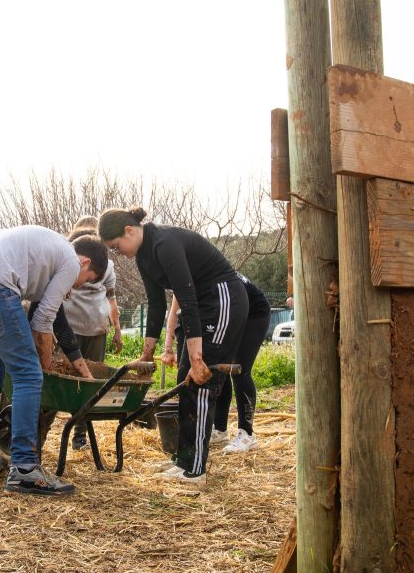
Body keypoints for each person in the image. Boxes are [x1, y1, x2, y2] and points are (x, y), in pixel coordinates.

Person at [0, 225, 108, 496]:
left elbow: (47, 318)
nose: (80, 285)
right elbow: (43, 321)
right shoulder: (70, 261)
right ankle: (24, 469)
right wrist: (42, 367)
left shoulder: (50, 252)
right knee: (28, 375)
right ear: (85, 262)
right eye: (87, 278)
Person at [98, 206, 249, 486]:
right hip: (200, 307)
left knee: (204, 380)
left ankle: (196, 470)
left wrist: (196, 356)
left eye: (117, 247)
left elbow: (186, 298)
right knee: (185, 381)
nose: (119, 255)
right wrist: (146, 355)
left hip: (222, 300)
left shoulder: (164, 243)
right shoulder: (144, 255)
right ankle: (184, 459)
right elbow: (156, 306)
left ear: (129, 231)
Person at [163, 274, 270, 454]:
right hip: (232, 313)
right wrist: (168, 347)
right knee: (221, 367)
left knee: (239, 369)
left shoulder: (206, 276)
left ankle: (247, 435)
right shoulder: (183, 276)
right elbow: (175, 312)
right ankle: (220, 430)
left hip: (254, 313)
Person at [62, 216, 123, 450]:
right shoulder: (68, 262)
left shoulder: (105, 266)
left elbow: (112, 298)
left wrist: (116, 329)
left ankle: (80, 433)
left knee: (89, 384)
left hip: (96, 328)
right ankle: (44, 426)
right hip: (69, 328)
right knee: (64, 379)